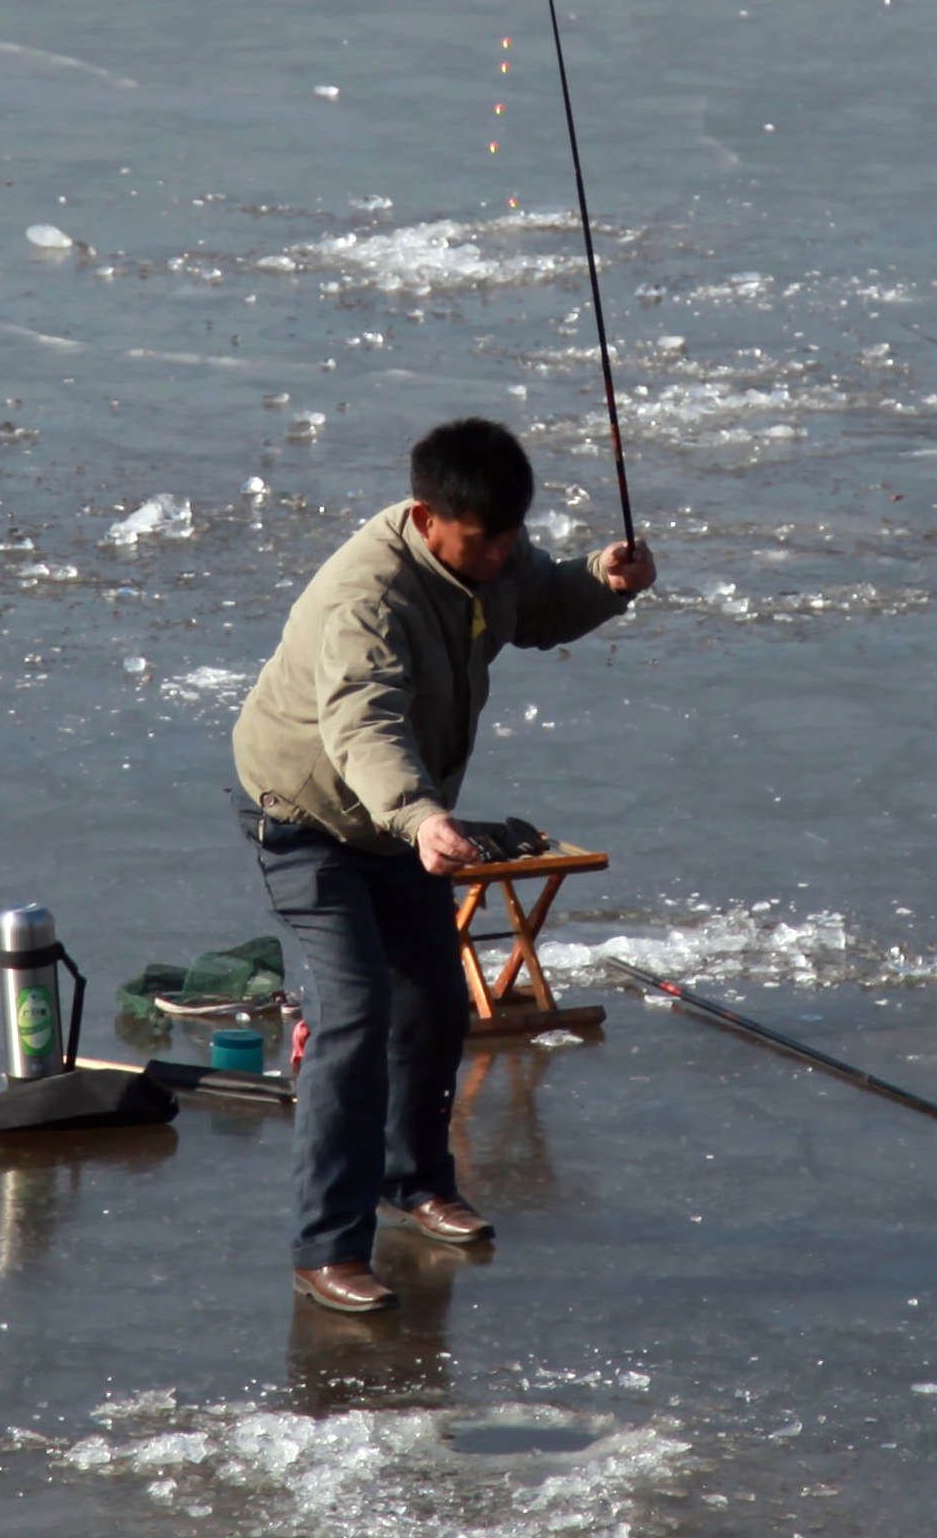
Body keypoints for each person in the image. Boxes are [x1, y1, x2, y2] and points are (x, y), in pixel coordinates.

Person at [233, 418, 655, 1313]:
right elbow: (363, 721)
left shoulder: (492, 551)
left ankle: (413, 1181)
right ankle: (327, 1248)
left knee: (435, 1001)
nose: (501, 556)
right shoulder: (367, 598)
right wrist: (422, 815)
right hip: (307, 817)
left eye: (510, 538)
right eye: (484, 542)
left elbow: (537, 604)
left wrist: (600, 581)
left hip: (399, 823)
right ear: (427, 517)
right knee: (354, 1015)